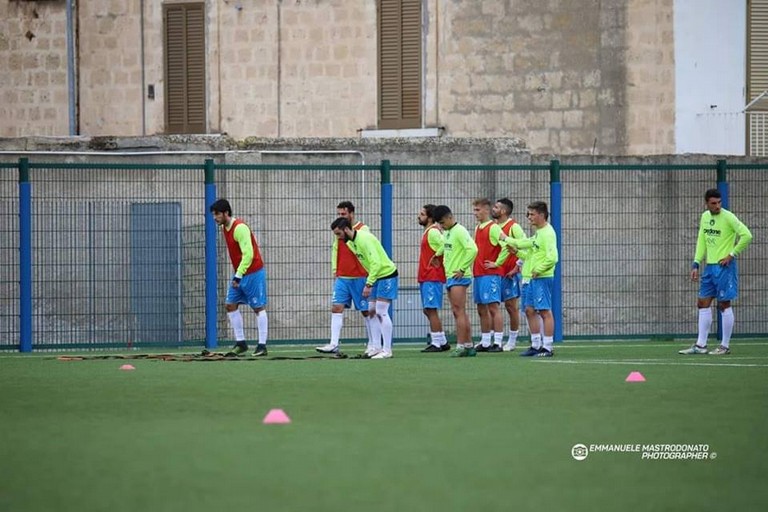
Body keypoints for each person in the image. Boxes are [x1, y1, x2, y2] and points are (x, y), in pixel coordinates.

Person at [679, 189, 753, 355]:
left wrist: (731, 255)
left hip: (724, 267)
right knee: (702, 302)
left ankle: (724, 346)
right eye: (713, 203)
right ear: (706, 203)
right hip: (710, 267)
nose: (717, 206)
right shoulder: (705, 217)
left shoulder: (728, 217)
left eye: (719, 203)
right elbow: (702, 240)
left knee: (724, 304)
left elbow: (747, 235)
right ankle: (700, 345)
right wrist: (696, 263)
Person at [331, 217, 399, 359]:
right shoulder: (351, 242)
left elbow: (376, 263)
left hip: (387, 275)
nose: (337, 238)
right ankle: (376, 347)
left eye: (338, 234)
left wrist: (368, 284)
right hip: (375, 277)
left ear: (346, 229)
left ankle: (387, 350)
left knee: (381, 312)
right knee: (371, 311)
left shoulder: (364, 239)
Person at [209, 199, 268, 357]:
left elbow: (248, 255)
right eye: (213, 214)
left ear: (226, 213)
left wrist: (238, 275)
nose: (214, 217)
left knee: (258, 308)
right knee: (230, 305)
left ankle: (262, 346)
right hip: (240, 273)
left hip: (253, 272)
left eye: (217, 214)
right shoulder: (224, 227)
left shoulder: (239, 228)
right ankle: (241, 343)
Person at [500, 201, 558, 357]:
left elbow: (553, 258)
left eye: (532, 214)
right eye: (528, 214)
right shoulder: (538, 233)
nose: (529, 217)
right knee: (529, 310)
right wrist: (515, 252)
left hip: (542, 277)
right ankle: (536, 344)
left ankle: (548, 347)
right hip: (531, 278)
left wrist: (538, 270)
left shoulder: (547, 233)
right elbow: (529, 253)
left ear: (541, 215)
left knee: (545, 311)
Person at [316, 201, 374, 355]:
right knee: (336, 307)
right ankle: (334, 344)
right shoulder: (338, 231)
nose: (341, 217)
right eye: (339, 214)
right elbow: (336, 248)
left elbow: (367, 250)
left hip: (359, 276)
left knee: (365, 310)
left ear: (351, 214)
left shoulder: (363, 229)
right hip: (342, 276)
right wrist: (335, 268)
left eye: (343, 214)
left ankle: (373, 343)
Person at [430, 205, 478, 357]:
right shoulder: (448, 232)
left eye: (443, 223)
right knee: (458, 311)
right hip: (451, 275)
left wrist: (463, 269)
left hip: (459, 276)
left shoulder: (460, 231)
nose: (441, 226)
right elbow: (445, 245)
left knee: (459, 311)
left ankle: (460, 346)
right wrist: (437, 255)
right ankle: (469, 346)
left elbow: (473, 249)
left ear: (450, 217)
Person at [484, 198, 527, 351]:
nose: (493, 209)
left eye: (496, 207)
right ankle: (491, 340)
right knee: (492, 306)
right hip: (495, 273)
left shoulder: (513, 226)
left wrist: (517, 267)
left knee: (511, 307)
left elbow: (526, 246)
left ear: (503, 211)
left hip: (509, 273)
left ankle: (512, 340)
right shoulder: (493, 227)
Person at [471, 198, 505, 353]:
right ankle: (485, 342)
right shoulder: (478, 228)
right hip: (479, 273)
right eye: (474, 210)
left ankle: (498, 342)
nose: (475, 213)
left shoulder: (494, 228)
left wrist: (497, 263)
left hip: (490, 274)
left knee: (493, 307)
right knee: (481, 308)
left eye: (478, 210)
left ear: (486, 210)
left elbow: (507, 246)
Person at [417, 204, 449, 353]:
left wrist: (437, 256)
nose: (419, 216)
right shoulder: (428, 232)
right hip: (425, 275)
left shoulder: (433, 232)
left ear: (430, 218)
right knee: (427, 309)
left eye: (422, 214)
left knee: (431, 309)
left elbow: (446, 245)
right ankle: (442, 340)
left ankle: (436, 342)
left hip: (432, 275)